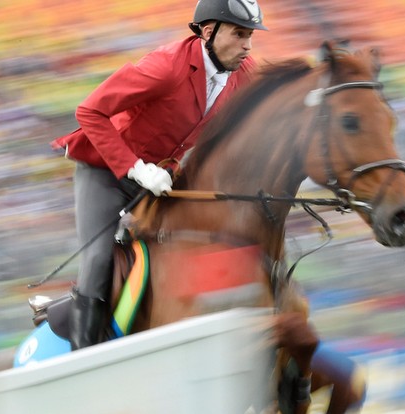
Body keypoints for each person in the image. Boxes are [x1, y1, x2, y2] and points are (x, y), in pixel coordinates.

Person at [50, 0, 268, 351]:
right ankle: (82, 353)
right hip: (106, 170)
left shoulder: (244, 74)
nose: (248, 45)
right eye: (240, 34)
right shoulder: (166, 67)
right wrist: (134, 168)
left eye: (251, 35)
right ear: (209, 33)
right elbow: (89, 111)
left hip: (162, 177)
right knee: (99, 257)